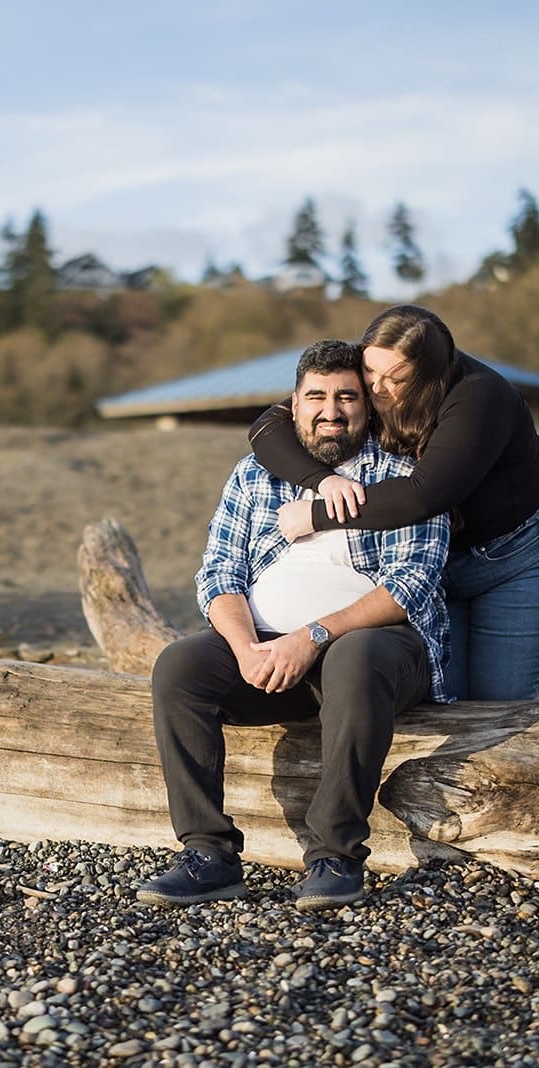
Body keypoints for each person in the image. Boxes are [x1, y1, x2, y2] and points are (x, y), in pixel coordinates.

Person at [137, 339, 451, 912]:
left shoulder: (404, 475)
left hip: (377, 654)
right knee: (180, 666)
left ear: (368, 405)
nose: (331, 409)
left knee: (358, 658)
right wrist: (247, 649)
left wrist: (312, 637)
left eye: (346, 397)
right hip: (270, 652)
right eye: (317, 397)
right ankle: (208, 854)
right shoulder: (256, 476)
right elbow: (218, 575)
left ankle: (335, 855)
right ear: (294, 404)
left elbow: (412, 585)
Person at [249, 305, 539, 702]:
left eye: (396, 379)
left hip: (525, 551)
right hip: (441, 559)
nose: (376, 387)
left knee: (496, 704)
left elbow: (424, 495)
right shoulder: (370, 372)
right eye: (370, 371)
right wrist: (322, 482)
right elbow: (266, 427)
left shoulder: (479, 397)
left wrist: (317, 514)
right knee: (446, 698)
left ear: (429, 376)